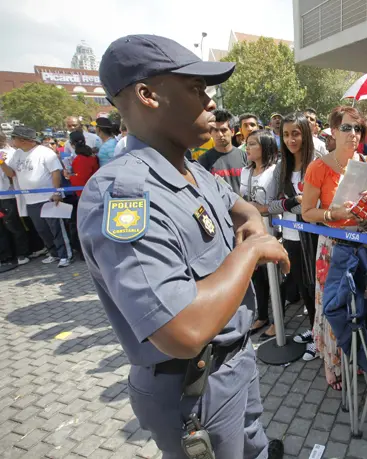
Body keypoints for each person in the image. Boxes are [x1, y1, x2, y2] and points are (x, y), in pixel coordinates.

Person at [78, 34, 287, 459]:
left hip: (234, 361)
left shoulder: (190, 169)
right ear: (147, 95)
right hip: (193, 385)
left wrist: (251, 220)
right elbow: (182, 331)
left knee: (257, 447)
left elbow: (238, 205)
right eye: (195, 89)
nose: (210, 102)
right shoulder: (124, 197)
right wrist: (250, 252)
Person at [301, 105, 367, 391]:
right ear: (333, 131)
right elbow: (306, 212)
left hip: (365, 243)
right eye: (347, 127)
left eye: (358, 128)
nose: (353, 134)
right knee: (332, 305)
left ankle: (357, 356)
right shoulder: (319, 166)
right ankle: (331, 362)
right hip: (333, 245)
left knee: (361, 302)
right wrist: (332, 214)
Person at [268, 112, 321, 360]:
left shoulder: (318, 163)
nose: (291, 139)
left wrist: (297, 205)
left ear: (305, 134)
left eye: (296, 134)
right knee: (303, 286)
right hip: (290, 235)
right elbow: (270, 205)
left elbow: (318, 205)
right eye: (286, 134)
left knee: (316, 287)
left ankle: (321, 336)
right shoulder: (282, 168)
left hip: (315, 237)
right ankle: (314, 329)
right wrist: (293, 202)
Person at [0, 126, 73, 268]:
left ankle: (65, 255)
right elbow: (11, 174)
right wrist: (2, 163)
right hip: (30, 200)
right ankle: (53, 253)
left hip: (48, 197)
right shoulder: (17, 154)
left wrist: (56, 192)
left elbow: (55, 173)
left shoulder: (45, 152)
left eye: (13, 138)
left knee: (56, 228)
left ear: (22, 139)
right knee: (42, 230)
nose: (11, 140)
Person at [240, 129, 279, 338]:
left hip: (272, 230)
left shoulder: (275, 171)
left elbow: (280, 202)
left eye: (253, 143)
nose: (248, 147)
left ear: (265, 146)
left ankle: (277, 322)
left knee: (274, 278)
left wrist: (261, 208)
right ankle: (262, 315)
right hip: (251, 232)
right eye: (247, 143)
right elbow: (241, 198)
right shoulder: (245, 171)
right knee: (257, 277)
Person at [63, 130, 99, 260]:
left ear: (72, 144)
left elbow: (80, 179)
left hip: (83, 195)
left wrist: (69, 176)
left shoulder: (80, 159)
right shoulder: (90, 155)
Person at [197, 109, 248, 195]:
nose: (219, 134)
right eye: (215, 130)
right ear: (210, 133)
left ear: (232, 132)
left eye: (223, 130)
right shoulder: (203, 161)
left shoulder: (245, 157)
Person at [0, 131, 30, 273]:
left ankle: (22, 253)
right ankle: (6, 255)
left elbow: (11, 174)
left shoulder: (10, 153)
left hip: (7, 195)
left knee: (12, 225)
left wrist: (2, 163)